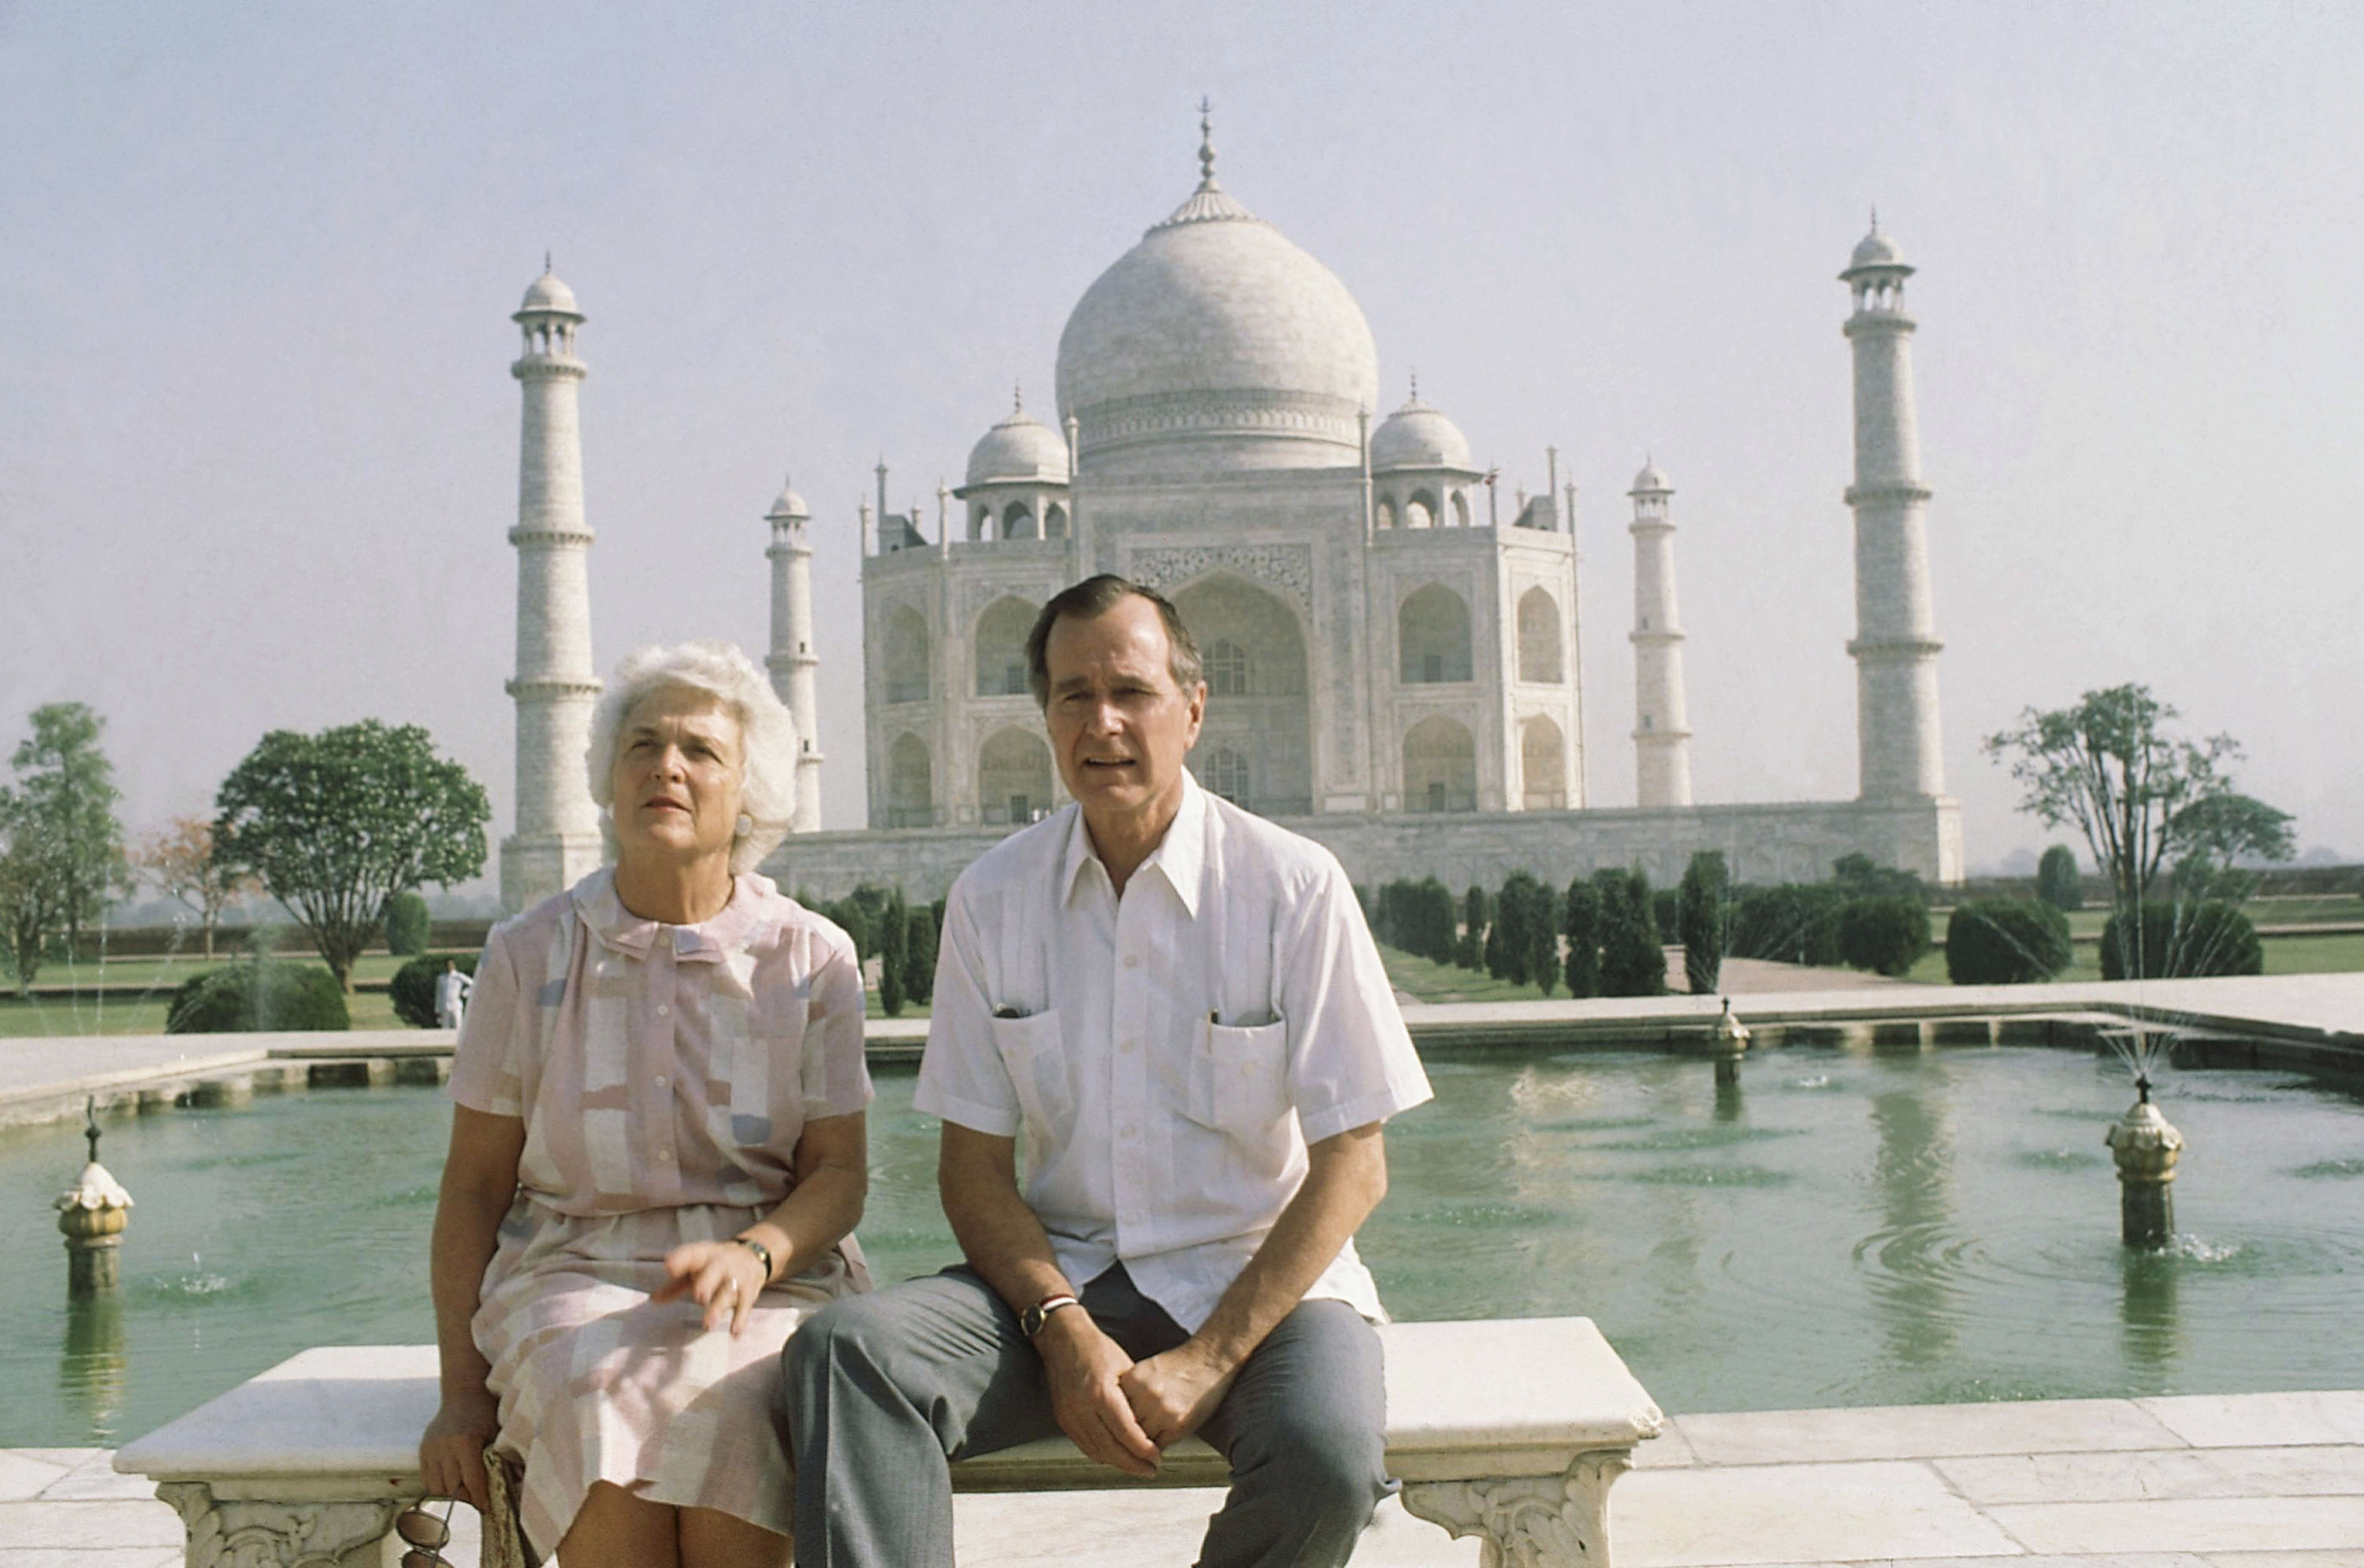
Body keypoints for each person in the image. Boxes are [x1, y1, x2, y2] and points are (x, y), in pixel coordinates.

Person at [780, 576, 1432, 1568]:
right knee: (847, 1355)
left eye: (1131, 692)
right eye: (1073, 696)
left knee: (1325, 1456)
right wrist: (1060, 1327)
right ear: (1045, 716)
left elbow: (1355, 1163)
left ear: (1193, 709)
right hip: (1065, 1279)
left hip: (1259, 1285)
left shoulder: (1290, 887)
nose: (1104, 723)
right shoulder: (996, 897)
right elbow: (973, 1170)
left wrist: (1210, 1357)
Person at [421, 641, 872, 1568]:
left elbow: (838, 1172)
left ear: (750, 793)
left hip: (771, 1277)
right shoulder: (530, 954)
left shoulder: (809, 958)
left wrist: (756, 1252)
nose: (667, 765)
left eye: (700, 750)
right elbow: (473, 1187)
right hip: (569, 1270)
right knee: (597, 1396)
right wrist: (461, 1392)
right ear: (607, 775)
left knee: (741, 1398)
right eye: (644, 744)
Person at [434, 957, 474, 1030]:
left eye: (451, 964)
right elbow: (439, 994)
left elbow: (473, 985)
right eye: (447, 965)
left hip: (456, 1005)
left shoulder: (459, 976)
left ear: (454, 965)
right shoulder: (441, 978)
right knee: (445, 1028)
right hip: (444, 1006)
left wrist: (464, 994)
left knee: (458, 1027)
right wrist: (437, 1009)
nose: (449, 966)